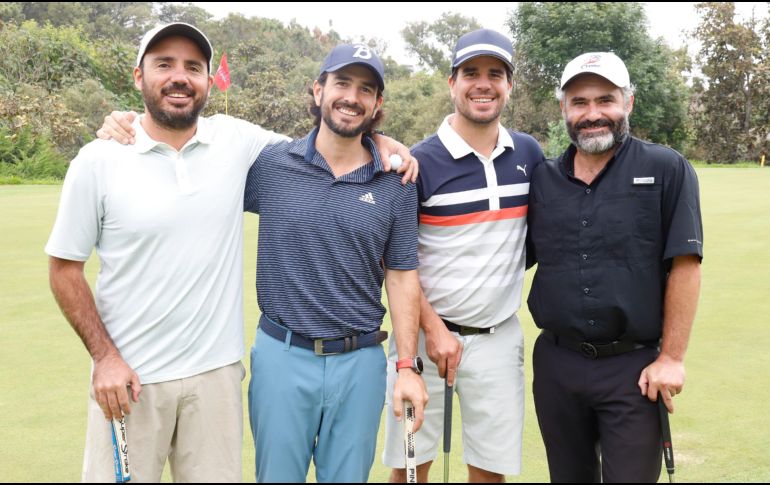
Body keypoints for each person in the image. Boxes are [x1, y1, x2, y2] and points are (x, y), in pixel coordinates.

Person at [50, 22, 416, 482]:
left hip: (220, 377)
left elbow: (340, 149)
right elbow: (63, 267)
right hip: (139, 377)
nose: (179, 77)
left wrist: (380, 142)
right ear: (139, 75)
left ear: (208, 79)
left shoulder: (240, 144)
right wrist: (104, 357)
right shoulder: (104, 158)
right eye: (164, 65)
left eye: (193, 67)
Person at [242, 43, 428, 483]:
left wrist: (406, 366)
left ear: (377, 104)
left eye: (366, 89)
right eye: (342, 83)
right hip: (282, 356)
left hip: (359, 363)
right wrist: (132, 124)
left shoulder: (397, 181)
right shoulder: (271, 165)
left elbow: (402, 276)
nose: (352, 97)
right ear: (318, 90)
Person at [526, 52, 703, 483]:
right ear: (564, 108)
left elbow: (686, 264)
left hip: (634, 369)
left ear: (629, 102)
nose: (593, 114)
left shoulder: (666, 168)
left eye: (605, 99)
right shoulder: (542, 179)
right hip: (557, 365)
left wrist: (672, 358)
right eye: (579, 102)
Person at [382, 29, 545, 483]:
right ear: (452, 83)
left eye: (495, 73)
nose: (483, 84)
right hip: (422, 341)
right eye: (471, 73)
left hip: (498, 338)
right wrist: (434, 330)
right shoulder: (419, 162)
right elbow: (394, 262)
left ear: (509, 85)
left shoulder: (528, 153)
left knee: (490, 472)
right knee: (410, 469)